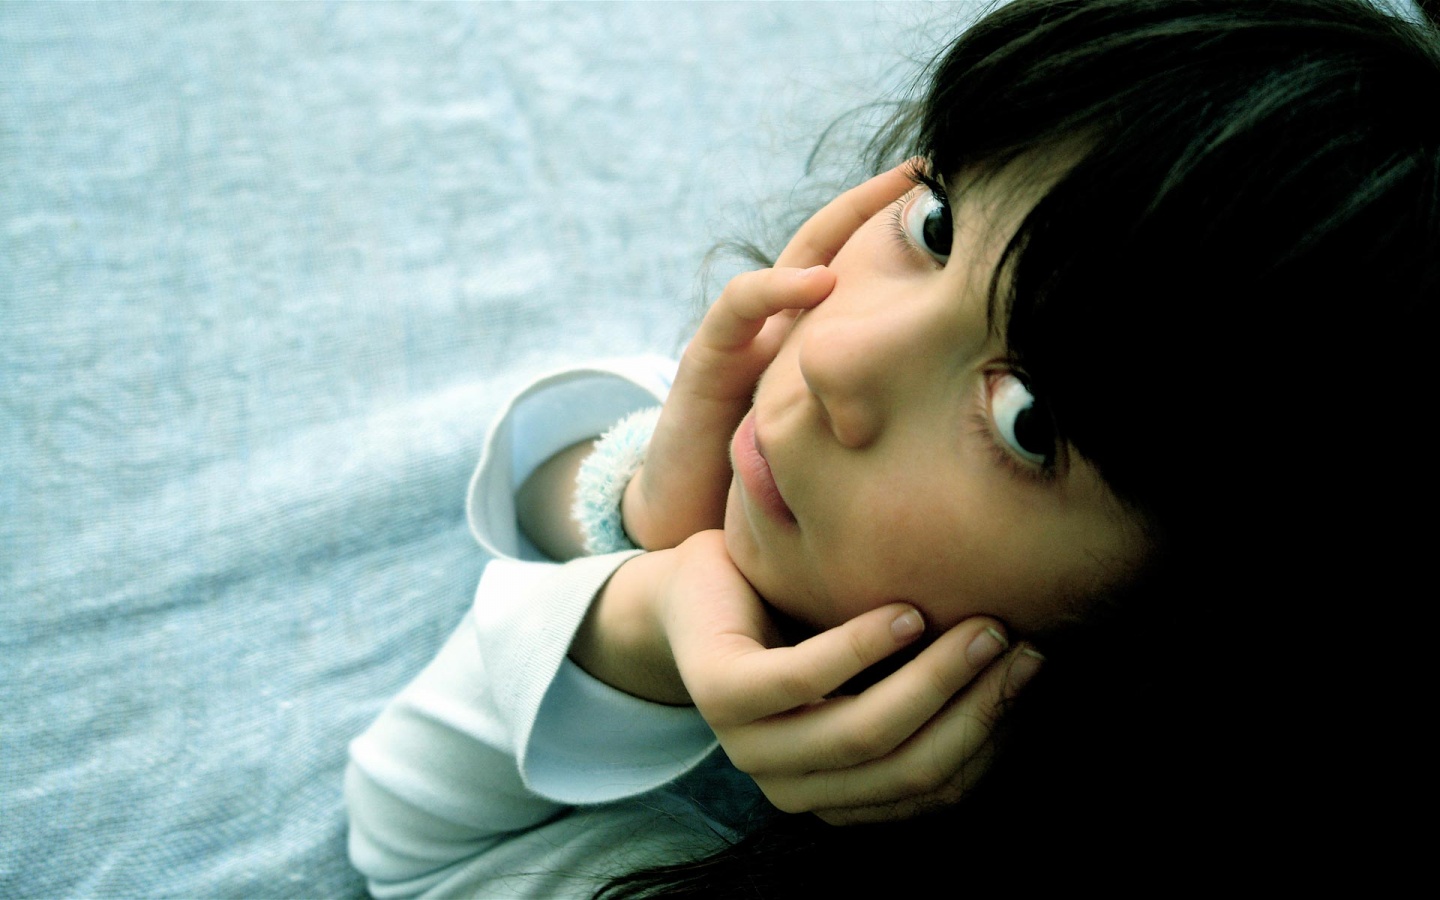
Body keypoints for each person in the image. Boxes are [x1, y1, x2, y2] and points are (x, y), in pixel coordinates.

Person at [346, 0, 1439, 894]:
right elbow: (544, 454)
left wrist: (648, 629)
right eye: (936, 226)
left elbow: (415, 838)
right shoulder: (843, 482)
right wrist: (656, 519)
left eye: (1027, 421)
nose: (838, 358)